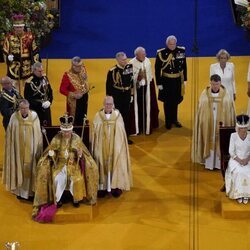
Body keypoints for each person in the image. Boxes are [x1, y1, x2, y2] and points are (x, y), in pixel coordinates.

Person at [32, 113, 98, 220]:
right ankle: (59, 199)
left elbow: (85, 155)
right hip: (60, 165)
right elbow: (50, 151)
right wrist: (51, 154)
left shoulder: (76, 138)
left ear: (71, 130)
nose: (67, 133)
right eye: (65, 131)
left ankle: (75, 199)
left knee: (76, 179)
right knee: (57, 178)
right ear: (61, 131)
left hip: (73, 166)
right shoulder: (57, 139)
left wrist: (80, 155)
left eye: (68, 131)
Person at [91, 96, 132, 198]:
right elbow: (94, 133)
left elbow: (121, 132)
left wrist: (117, 145)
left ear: (113, 104)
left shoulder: (117, 116)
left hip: (114, 146)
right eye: (106, 104)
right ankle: (102, 187)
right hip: (102, 147)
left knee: (116, 162)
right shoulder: (98, 116)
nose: (108, 106)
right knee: (100, 162)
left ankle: (115, 187)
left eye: (110, 104)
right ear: (103, 104)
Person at [192, 74, 235, 170]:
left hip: (222, 123)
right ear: (210, 83)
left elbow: (230, 110)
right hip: (208, 124)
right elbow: (201, 109)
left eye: (217, 84)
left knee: (220, 141)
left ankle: (219, 164)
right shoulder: (204, 94)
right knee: (209, 139)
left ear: (220, 83)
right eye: (213, 84)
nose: (215, 87)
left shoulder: (226, 95)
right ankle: (209, 164)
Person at [2, 99, 43, 200]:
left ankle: (30, 192)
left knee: (31, 168)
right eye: (22, 108)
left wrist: (37, 147)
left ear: (29, 107)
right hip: (18, 149)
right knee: (19, 167)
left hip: (31, 149)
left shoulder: (34, 116)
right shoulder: (14, 117)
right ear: (19, 108)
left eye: (26, 108)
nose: (24, 110)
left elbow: (38, 133)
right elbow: (10, 134)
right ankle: (20, 192)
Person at [155, 35, 187, 130]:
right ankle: (168, 121)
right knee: (167, 101)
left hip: (177, 80)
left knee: (176, 100)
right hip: (166, 80)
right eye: (170, 44)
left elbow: (184, 65)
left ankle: (174, 119)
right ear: (167, 44)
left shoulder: (181, 51)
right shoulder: (161, 53)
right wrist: (159, 83)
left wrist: (185, 79)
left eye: (174, 44)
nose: (172, 46)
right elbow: (157, 69)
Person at [3, 14, 40, 90]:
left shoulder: (30, 37)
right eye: (17, 27)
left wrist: (35, 65)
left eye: (20, 27)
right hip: (13, 66)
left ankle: (26, 101)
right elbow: (5, 51)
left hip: (27, 66)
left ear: (23, 27)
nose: (19, 29)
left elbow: (35, 51)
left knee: (28, 86)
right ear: (14, 27)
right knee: (13, 87)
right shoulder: (9, 37)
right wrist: (8, 58)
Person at [129, 47, 159, 135]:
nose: (144, 55)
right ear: (136, 55)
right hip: (137, 90)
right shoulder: (131, 63)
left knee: (147, 107)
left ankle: (147, 126)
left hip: (147, 89)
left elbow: (150, 77)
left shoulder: (147, 61)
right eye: (142, 55)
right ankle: (137, 128)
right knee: (137, 108)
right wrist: (138, 79)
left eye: (144, 53)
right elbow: (130, 79)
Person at [106, 52, 133, 143]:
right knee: (117, 116)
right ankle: (116, 136)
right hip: (117, 96)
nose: (125, 61)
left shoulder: (129, 67)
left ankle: (126, 136)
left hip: (127, 95)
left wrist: (132, 95)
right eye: (123, 60)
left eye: (126, 59)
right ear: (117, 60)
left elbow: (131, 82)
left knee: (126, 116)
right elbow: (109, 86)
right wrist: (110, 100)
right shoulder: (112, 71)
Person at [225, 114, 250, 204]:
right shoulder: (233, 136)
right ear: (238, 128)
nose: (243, 131)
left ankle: (246, 195)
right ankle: (238, 194)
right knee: (239, 171)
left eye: (245, 129)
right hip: (236, 160)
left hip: (248, 160)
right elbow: (231, 151)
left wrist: (247, 159)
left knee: (247, 171)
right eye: (241, 129)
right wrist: (240, 160)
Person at [60, 56, 89, 126]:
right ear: (73, 66)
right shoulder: (67, 75)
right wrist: (74, 95)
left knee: (83, 117)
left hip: (84, 98)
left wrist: (85, 79)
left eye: (80, 66)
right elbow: (62, 89)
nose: (80, 68)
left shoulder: (82, 70)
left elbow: (84, 82)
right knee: (74, 120)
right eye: (77, 67)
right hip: (74, 101)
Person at [24, 62, 53, 126]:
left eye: (42, 71)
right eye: (39, 71)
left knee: (48, 126)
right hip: (36, 109)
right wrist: (40, 104)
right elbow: (28, 98)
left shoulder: (45, 78)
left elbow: (50, 91)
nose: (41, 73)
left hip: (46, 107)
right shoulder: (29, 82)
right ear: (34, 70)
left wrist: (50, 101)